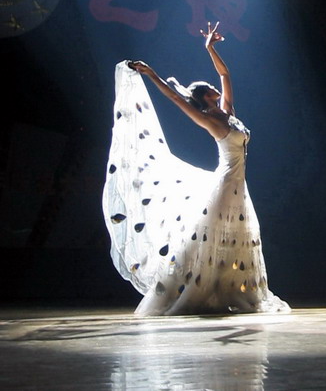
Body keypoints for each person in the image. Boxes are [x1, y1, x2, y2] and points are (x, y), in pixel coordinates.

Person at [102, 22, 290, 316]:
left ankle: (228, 290)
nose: (216, 88)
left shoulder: (227, 113)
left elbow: (225, 74)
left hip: (239, 186)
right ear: (204, 97)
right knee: (211, 239)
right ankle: (195, 290)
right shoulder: (209, 120)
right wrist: (152, 75)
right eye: (210, 88)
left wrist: (210, 48)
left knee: (237, 237)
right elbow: (176, 98)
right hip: (225, 184)